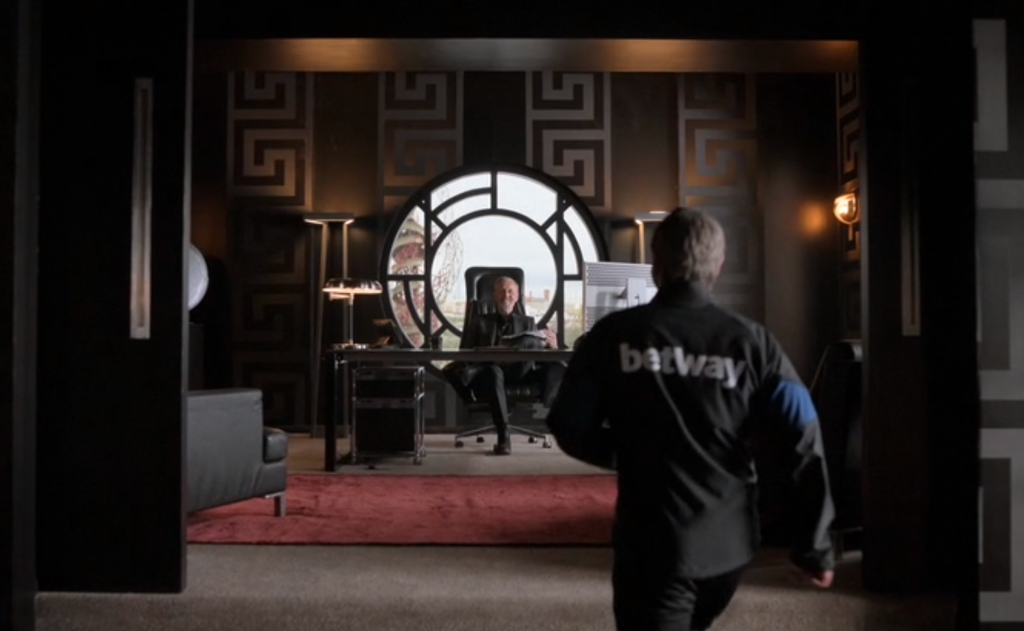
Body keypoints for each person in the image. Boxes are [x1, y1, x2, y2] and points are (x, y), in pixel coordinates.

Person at [545, 207, 835, 631]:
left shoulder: (612, 335)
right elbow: (803, 436)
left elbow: (567, 424)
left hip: (654, 545)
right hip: (730, 547)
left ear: (655, 262)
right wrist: (815, 544)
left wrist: (630, 453)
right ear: (718, 266)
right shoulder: (754, 343)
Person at [443, 276, 562, 455]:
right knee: (494, 370)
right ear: (494, 295)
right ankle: (503, 436)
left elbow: (537, 358)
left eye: (510, 291)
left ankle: (476, 370)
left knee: (531, 341)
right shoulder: (479, 321)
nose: (506, 295)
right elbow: (465, 353)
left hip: (519, 373)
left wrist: (553, 347)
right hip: (490, 377)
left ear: (517, 296)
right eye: (502, 291)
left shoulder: (528, 322)